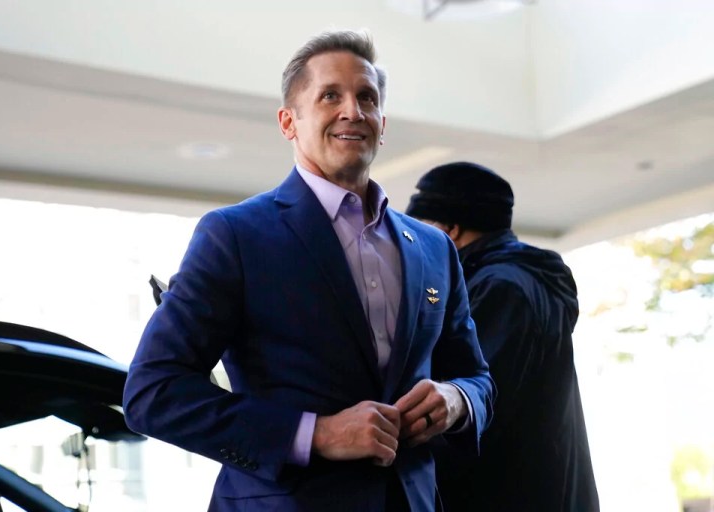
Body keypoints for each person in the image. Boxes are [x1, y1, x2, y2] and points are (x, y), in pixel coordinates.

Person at [123, 31, 494, 512]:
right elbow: (154, 393)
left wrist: (457, 401)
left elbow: (476, 377)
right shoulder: (235, 235)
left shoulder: (433, 247)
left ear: (382, 124)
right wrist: (315, 434)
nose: (352, 111)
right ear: (288, 122)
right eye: (330, 96)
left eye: (367, 98)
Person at [406, 161, 599, 511]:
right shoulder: (522, 280)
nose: (412, 246)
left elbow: (477, 406)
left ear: (449, 229)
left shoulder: (500, 288)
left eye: (420, 230)